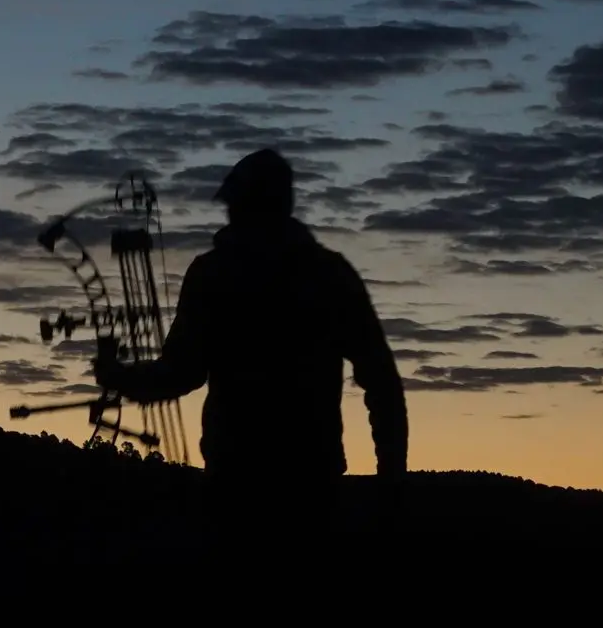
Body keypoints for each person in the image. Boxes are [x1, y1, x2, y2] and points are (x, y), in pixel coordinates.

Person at [92, 148, 409, 566]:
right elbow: (382, 382)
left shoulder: (213, 274)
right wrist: (391, 484)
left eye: (234, 204)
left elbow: (180, 373)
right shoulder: (330, 274)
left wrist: (119, 377)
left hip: (235, 489)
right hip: (313, 489)